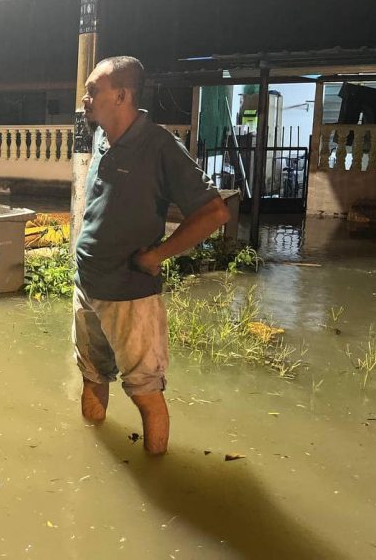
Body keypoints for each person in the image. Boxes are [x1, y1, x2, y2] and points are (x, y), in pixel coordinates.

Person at [73, 56, 230, 455]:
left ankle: (157, 475)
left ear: (122, 95)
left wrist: (159, 254)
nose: (85, 98)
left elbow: (214, 212)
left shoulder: (159, 146)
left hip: (130, 295)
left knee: (144, 393)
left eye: (93, 90)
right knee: (92, 376)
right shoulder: (100, 138)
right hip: (86, 287)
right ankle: (93, 458)